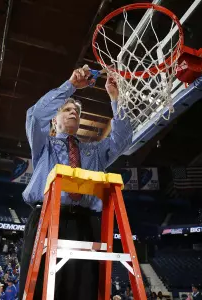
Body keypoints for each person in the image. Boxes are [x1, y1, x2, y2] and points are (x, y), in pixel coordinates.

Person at [19, 65, 133, 300]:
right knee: (39, 290)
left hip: (85, 224)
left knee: (83, 292)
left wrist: (115, 99)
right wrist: (70, 86)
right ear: (54, 120)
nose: (73, 113)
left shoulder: (95, 151)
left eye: (77, 112)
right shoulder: (43, 145)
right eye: (67, 109)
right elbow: (35, 114)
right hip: (46, 219)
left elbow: (123, 138)